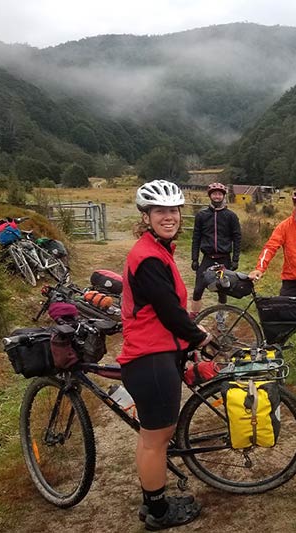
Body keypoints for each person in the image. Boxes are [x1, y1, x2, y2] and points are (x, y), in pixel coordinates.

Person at [118, 180, 212, 531]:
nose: (169, 216)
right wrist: (200, 337)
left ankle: (151, 501)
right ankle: (158, 513)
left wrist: (188, 334)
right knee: (156, 440)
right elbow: (169, 313)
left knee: (152, 437)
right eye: (161, 211)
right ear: (146, 216)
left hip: (155, 355)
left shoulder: (156, 251)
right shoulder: (147, 258)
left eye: (174, 210)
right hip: (151, 358)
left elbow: (169, 308)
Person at [190, 182, 241, 315]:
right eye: (214, 194)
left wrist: (235, 259)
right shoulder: (202, 216)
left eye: (219, 194)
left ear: (223, 196)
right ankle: (194, 318)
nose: (217, 196)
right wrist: (194, 259)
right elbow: (196, 238)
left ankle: (220, 320)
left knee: (222, 291)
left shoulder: (231, 216)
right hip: (207, 258)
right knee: (198, 289)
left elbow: (237, 238)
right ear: (210, 196)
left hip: (224, 259)